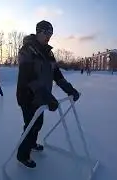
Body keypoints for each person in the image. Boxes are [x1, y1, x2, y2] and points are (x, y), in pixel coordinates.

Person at [16, 20, 80, 168]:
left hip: (41, 96)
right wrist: (46, 96)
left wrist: (70, 90)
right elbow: (28, 77)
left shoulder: (49, 53)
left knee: (38, 123)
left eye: (50, 34)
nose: (48, 37)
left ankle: (31, 144)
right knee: (30, 125)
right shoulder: (27, 50)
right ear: (38, 32)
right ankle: (22, 155)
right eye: (46, 33)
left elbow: (58, 75)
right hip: (27, 95)